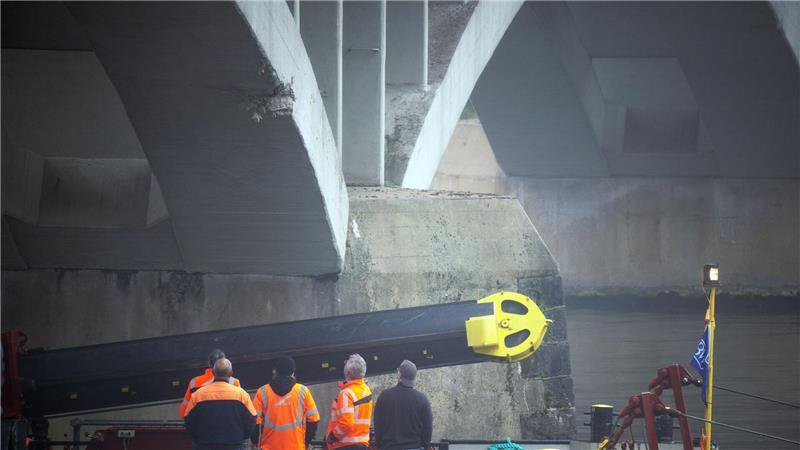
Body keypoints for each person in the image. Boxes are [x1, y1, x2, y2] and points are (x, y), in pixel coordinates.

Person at [184, 358, 257, 450]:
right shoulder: (241, 395)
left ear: (213, 373)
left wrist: (198, 438)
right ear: (231, 373)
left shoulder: (198, 395)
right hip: (234, 444)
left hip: (204, 445)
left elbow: (188, 420)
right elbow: (252, 419)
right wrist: (241, 436)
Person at [251, 356, 320, 449]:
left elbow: (254, 422)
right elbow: (314, 420)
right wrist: (306, 442)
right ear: (293, 372)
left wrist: (255, 441)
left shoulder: (262, 392)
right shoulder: (303, 391)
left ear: (276, 371)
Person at [373, 360, 432, 450]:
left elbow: (378, 424)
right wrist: (425, 445)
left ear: (399, 375)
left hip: (390, 447)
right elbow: (428, 427)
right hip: (414, 446)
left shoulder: (384, 396)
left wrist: (379, 444)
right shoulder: (422, 399)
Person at [325, 354, 373, 450]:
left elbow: (346, 423)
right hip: (362, 443)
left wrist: (332, 437)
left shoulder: (346, 393)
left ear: (347, 372)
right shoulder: (366, 390)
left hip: (345, 445)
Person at [180, 349, 241, 416]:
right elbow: (242, 409)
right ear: (225, 363)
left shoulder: (194, 382)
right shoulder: (234, 382)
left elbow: (183, 411)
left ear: (209, 363)